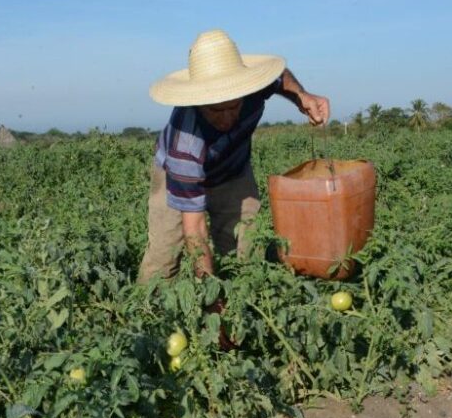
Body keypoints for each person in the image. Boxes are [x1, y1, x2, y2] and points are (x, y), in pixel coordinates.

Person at [138, 29, 330, 283]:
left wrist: (302, 97)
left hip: (232, 169)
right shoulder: (184, 145)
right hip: (176, 175)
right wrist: (209, 292)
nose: (228, 117)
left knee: (244, 247)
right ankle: (146, 315)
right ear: (198, 101)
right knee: (164, 255)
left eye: (234, 106)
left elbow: (280, 77)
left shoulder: (253, 88)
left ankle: (241, 303)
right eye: (216, 110)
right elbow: (194, 230)